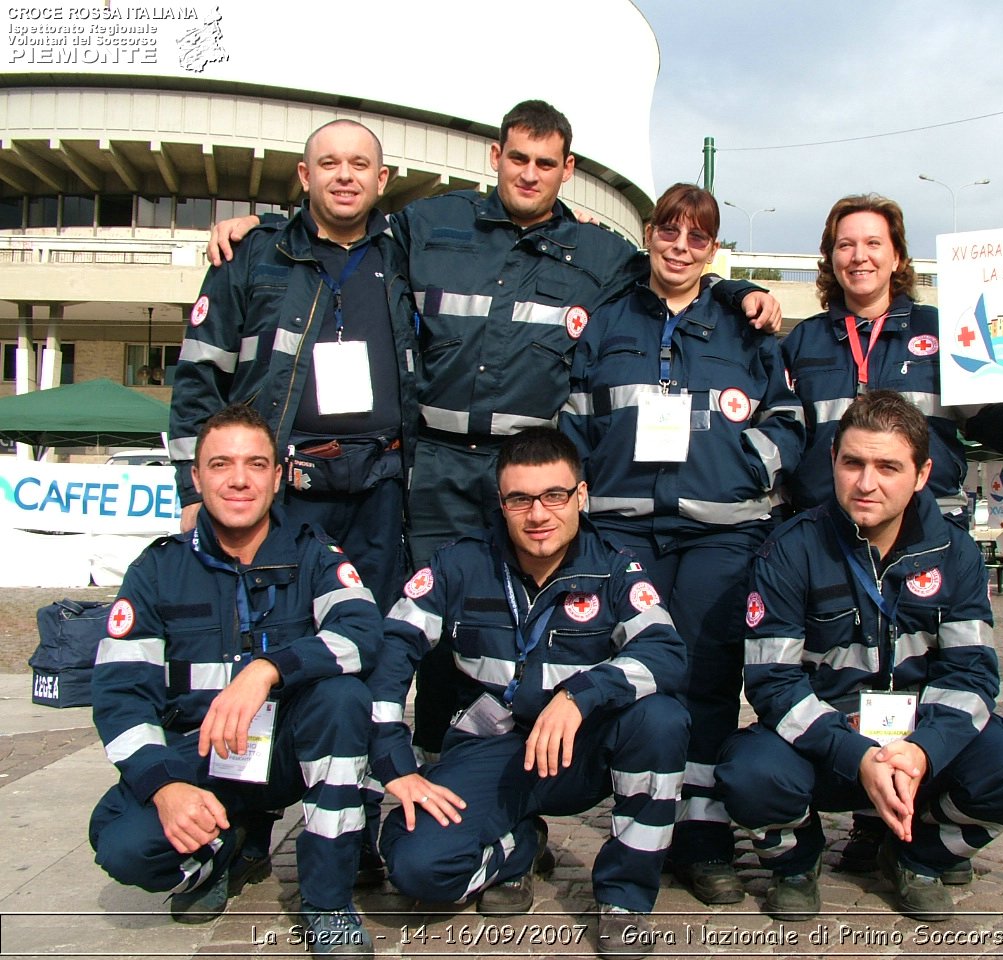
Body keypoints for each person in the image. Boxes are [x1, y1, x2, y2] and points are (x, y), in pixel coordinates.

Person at [209, 101, 780, 758]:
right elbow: (346, 228)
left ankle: (516, 772)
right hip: (437, 469)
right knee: (429, 621)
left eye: (545, 163)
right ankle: (428, 759)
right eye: (518, 159)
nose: (529, 174)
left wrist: (741, 294)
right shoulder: (431, 222)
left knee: (515, 620)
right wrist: (265, 227)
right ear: (496, 158)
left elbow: (675, 278)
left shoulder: (599, 251)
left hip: (528, 473)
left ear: (566, 169)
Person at [715, 391, 1003, 922]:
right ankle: (796, 863)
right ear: (833, 462)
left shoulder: (956, 552)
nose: (866, 483)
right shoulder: (789, 548)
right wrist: (857, 755)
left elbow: (970, 672)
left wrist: (922, 750)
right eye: (853, 463)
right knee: (749, 772)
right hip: (826, 744)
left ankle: (918, 856)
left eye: (888, 467)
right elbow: (774, 683)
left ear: (922, 474)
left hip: (920, 745)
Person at [558, 183, 805, 905]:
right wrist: (584, 493)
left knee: (707, 677)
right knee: (640, 673)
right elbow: (575, 418)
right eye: (670, 230)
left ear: (712, 249)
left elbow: (787, 421)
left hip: (721, 531)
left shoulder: (744, 325)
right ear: (650, 233)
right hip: (623, 526)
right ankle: (641, 825)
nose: (680, 247)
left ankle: (701, 836)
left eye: (698, 238)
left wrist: (743, 466)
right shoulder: (607, 321)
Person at [367, 427, 688, 957]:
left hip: (579, 751)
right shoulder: (460, 564)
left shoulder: (614, 566)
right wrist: (395, 762)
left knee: (662, 720)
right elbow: (390, 650)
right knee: (416, 867)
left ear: (581, 497)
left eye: (554, 496)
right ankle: (519, 846)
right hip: (493, 749)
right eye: (520, 499)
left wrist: (581, 694)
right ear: (501, 502)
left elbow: (666, 652)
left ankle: (625, 899)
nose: (538, 515)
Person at [88, 404, 382, 957]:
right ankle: (225, 851)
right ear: (196, 477)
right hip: (199, 759)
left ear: (277, 476)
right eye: (221, 464)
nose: (239, 479)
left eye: (255, 464)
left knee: (343, 698)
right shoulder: (156, 571)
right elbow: (121, 695)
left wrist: (268, 670)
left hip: (289, 755)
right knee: (125, 846)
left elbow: (363, 631)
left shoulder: (314, 554)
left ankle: (326, 905)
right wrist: (165, 788)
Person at [171, 119, 419, 614]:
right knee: (280, 625)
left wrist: (572, 225)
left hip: (382, 491)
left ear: (382, 179)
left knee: (371, 627)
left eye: (359, 164)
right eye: (329, 164)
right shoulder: (252, 254)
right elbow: (200, 375)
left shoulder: (410, 255)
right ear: (305, 176)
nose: (344, 176)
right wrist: (190, 489)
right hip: (286, 484)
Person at [782, 193, 1003, 518]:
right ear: (831, 258)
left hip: (931, 526)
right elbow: (784, 439)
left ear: (897, 258)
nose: (859, 256)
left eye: (873, 243)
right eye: (845, 245)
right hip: (826, 532)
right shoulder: (803, 342)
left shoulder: (944, 330)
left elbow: (993, 419)